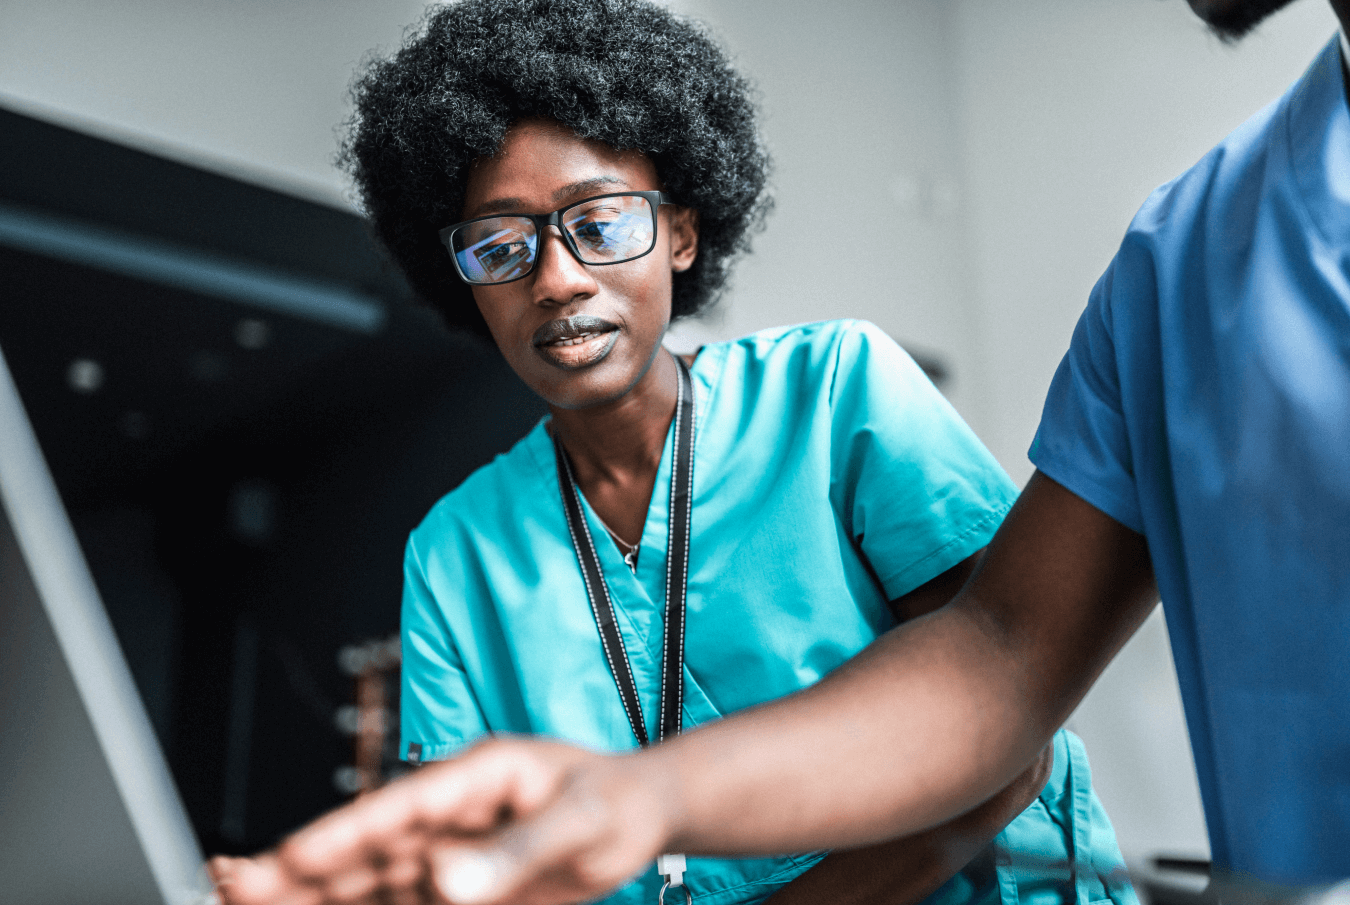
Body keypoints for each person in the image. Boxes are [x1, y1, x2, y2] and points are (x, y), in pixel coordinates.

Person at [212, 0, 1350, 902]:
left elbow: (1005, 728)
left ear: (684, 229)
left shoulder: (834, 391)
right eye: (500, 246)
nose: (555, 276)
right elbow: (1000, 655)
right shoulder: (458, 552)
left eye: (599, 223)